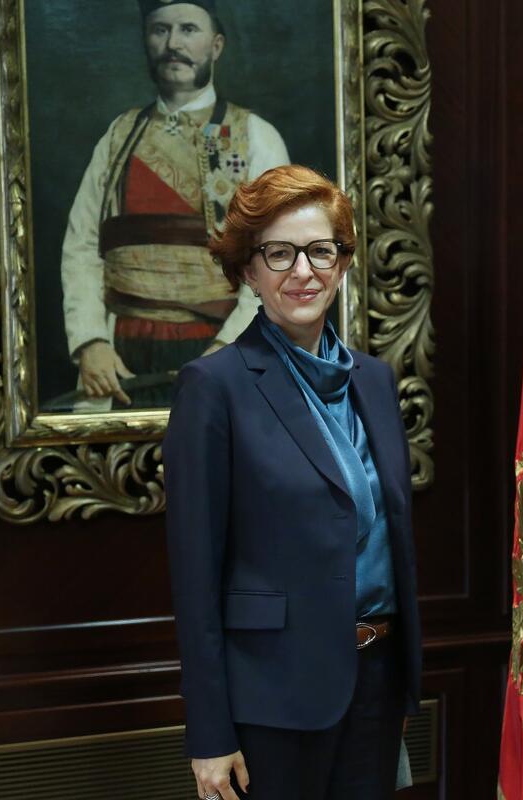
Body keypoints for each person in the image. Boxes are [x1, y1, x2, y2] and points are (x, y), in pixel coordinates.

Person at [165, 165, 420, 800]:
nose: (302, 271)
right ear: (248, 271)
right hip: (272, 699)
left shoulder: (374, 382)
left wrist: (401, 683)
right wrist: (209, 733)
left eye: (319, 251)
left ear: (342, 263)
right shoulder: (213, 388)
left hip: (376, 682)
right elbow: (195, 577)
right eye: (279, 253)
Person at [62, 0, 289, 409]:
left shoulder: (256, 137)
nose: (173, 44)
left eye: (188, 29)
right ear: (146, 41)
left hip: (224, 351)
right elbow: (82, 246)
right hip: (120, 358)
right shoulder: (118, 135)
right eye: (160, 30)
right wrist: (90, 342)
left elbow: (277, 260)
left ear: (216, 46)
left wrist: (230, 349)